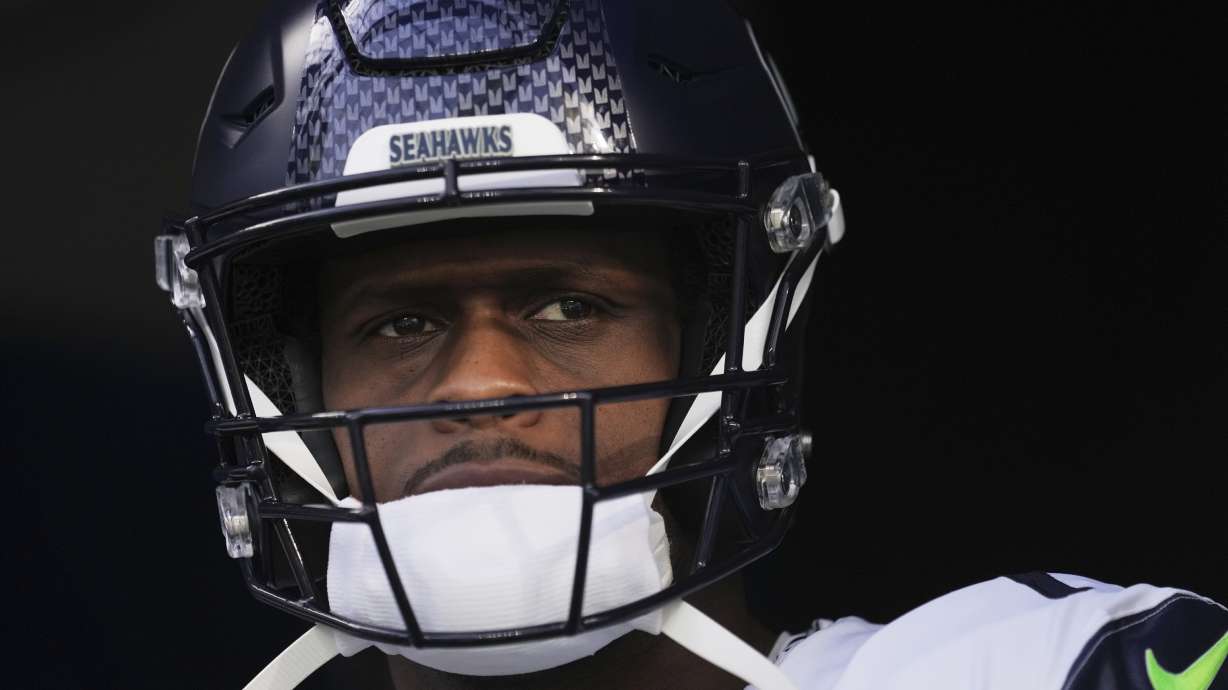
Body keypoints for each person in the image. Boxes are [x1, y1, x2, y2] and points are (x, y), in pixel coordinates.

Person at [156, 1, 1227, 688]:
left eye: (567, 308)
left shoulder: (1044, 672)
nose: (481, 382)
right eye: (401, 323)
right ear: (284, 389)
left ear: (727, 340)